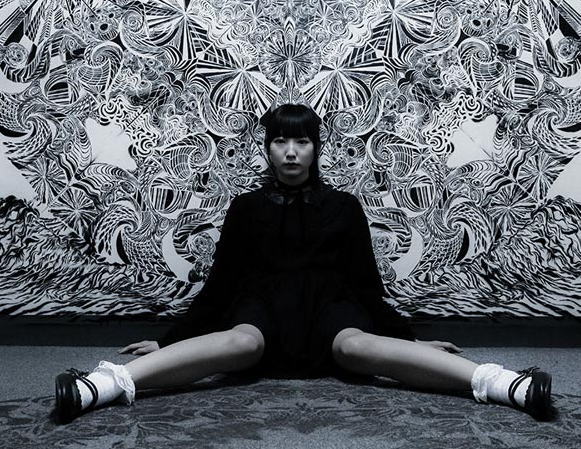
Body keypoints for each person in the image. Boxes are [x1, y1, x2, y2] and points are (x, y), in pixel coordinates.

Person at [54, 104, 553, 422]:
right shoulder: (245, 208)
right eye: (280, 141)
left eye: (302, 142)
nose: (291, 152)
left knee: (355, 345)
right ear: (267, 149)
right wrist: (168, 341)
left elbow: (367, 287)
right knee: (242, 341)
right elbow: (218, 287)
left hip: (331, 309)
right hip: (260, 309)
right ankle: (100, 385)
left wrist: (408, 340)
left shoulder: (344, 207)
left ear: (316, 148)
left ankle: (504, 384)